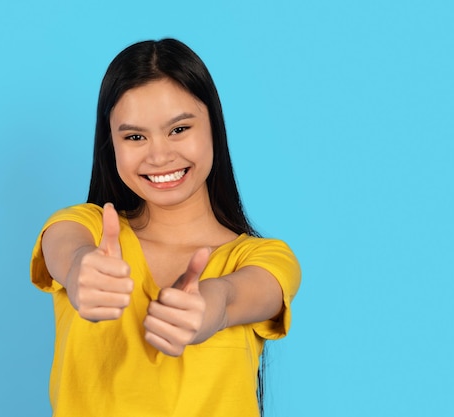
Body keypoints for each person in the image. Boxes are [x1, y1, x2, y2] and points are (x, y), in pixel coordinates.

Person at [30, 38, 301, 417]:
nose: (159, 155)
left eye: (179, 130)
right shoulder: (84, 227)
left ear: (214, 128)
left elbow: (241, 294)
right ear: (111, 144)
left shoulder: (262, 258)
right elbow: (65, 249)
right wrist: (80, 270)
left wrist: (212, 305)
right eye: (135, 137)